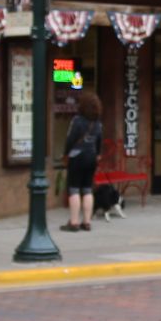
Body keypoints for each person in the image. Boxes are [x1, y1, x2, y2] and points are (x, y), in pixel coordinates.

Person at [61, 91, 105, 232]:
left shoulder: (77, 121)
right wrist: (97, 154)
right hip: (92, 157)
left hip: (77, 157)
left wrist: (66, 154)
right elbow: (99, 142)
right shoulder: (98, 124)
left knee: (73, 189)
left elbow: (70, 140)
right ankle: (86, 222)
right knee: (87, 189)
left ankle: (73, 223)